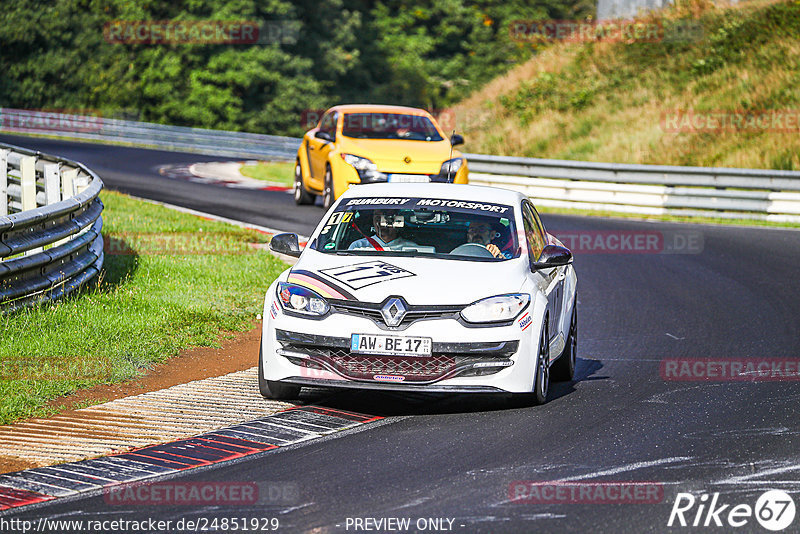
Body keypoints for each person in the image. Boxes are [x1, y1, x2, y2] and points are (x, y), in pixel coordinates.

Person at [348, 210, 418, 251]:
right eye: (378, 217)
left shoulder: (412, 248)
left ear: (397, 220)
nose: (381, 221)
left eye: (387, 217)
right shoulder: (358, 247)